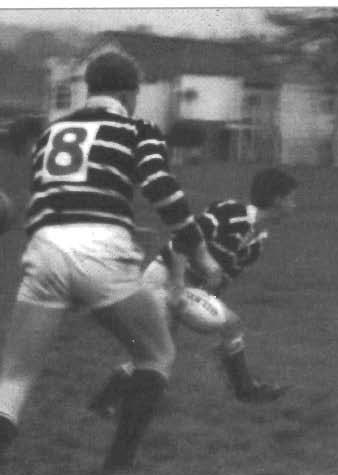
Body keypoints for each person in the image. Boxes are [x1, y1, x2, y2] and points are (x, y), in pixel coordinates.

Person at [0, 52, 223, 475]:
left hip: (43, 250)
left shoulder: (52, 133)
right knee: (156, 354)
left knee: (14, 379)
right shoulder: (136, 130)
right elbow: (163, 189)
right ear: (128, 93)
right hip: (100, 250)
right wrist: (200, 253)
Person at [88, 168, 298, 417]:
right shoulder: (231, 213)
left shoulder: (256, 244)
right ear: (277, 199)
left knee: (229, 325)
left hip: (188, 286)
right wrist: (177, 286)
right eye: (291, 198)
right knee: (159, 352)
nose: (295, 205)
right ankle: (106, 402)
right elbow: (181, 241)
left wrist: (207, 305)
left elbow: (220, 281)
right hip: (164, 277)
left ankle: (245, 389)